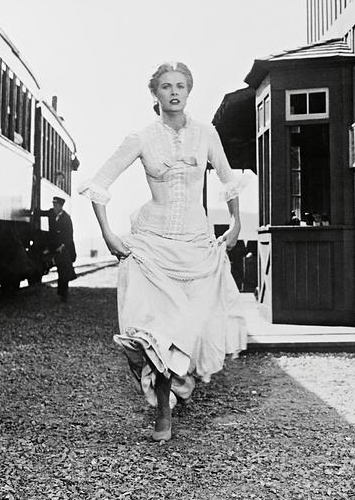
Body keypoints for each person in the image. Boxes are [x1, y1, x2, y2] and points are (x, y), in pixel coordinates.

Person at [79, 61, 247, 442]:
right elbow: (99, 184)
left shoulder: (206, 134)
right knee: (153, 333)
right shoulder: (139, 138)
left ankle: (176, 385)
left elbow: (229, 179)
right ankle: (163, 413)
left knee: (193, 327)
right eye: (166, 86)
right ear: (154, 93)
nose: (174, 93)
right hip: (152, 246)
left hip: (196, 245)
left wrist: (235, 223)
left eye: (181, 86)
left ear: (189, 91)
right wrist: (108, 234)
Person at [44, 196, 77, 300]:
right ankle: (61, 293)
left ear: (60, 206)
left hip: (64, 249)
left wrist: (63, 246)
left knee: (64, 272)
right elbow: (42, 213)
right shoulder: (52, 213)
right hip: (55, 248)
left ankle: (63, 295)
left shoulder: (66, 218)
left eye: (56, 205)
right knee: (60, 271)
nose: (54, 206)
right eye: (53, 204)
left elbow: (69, 235)